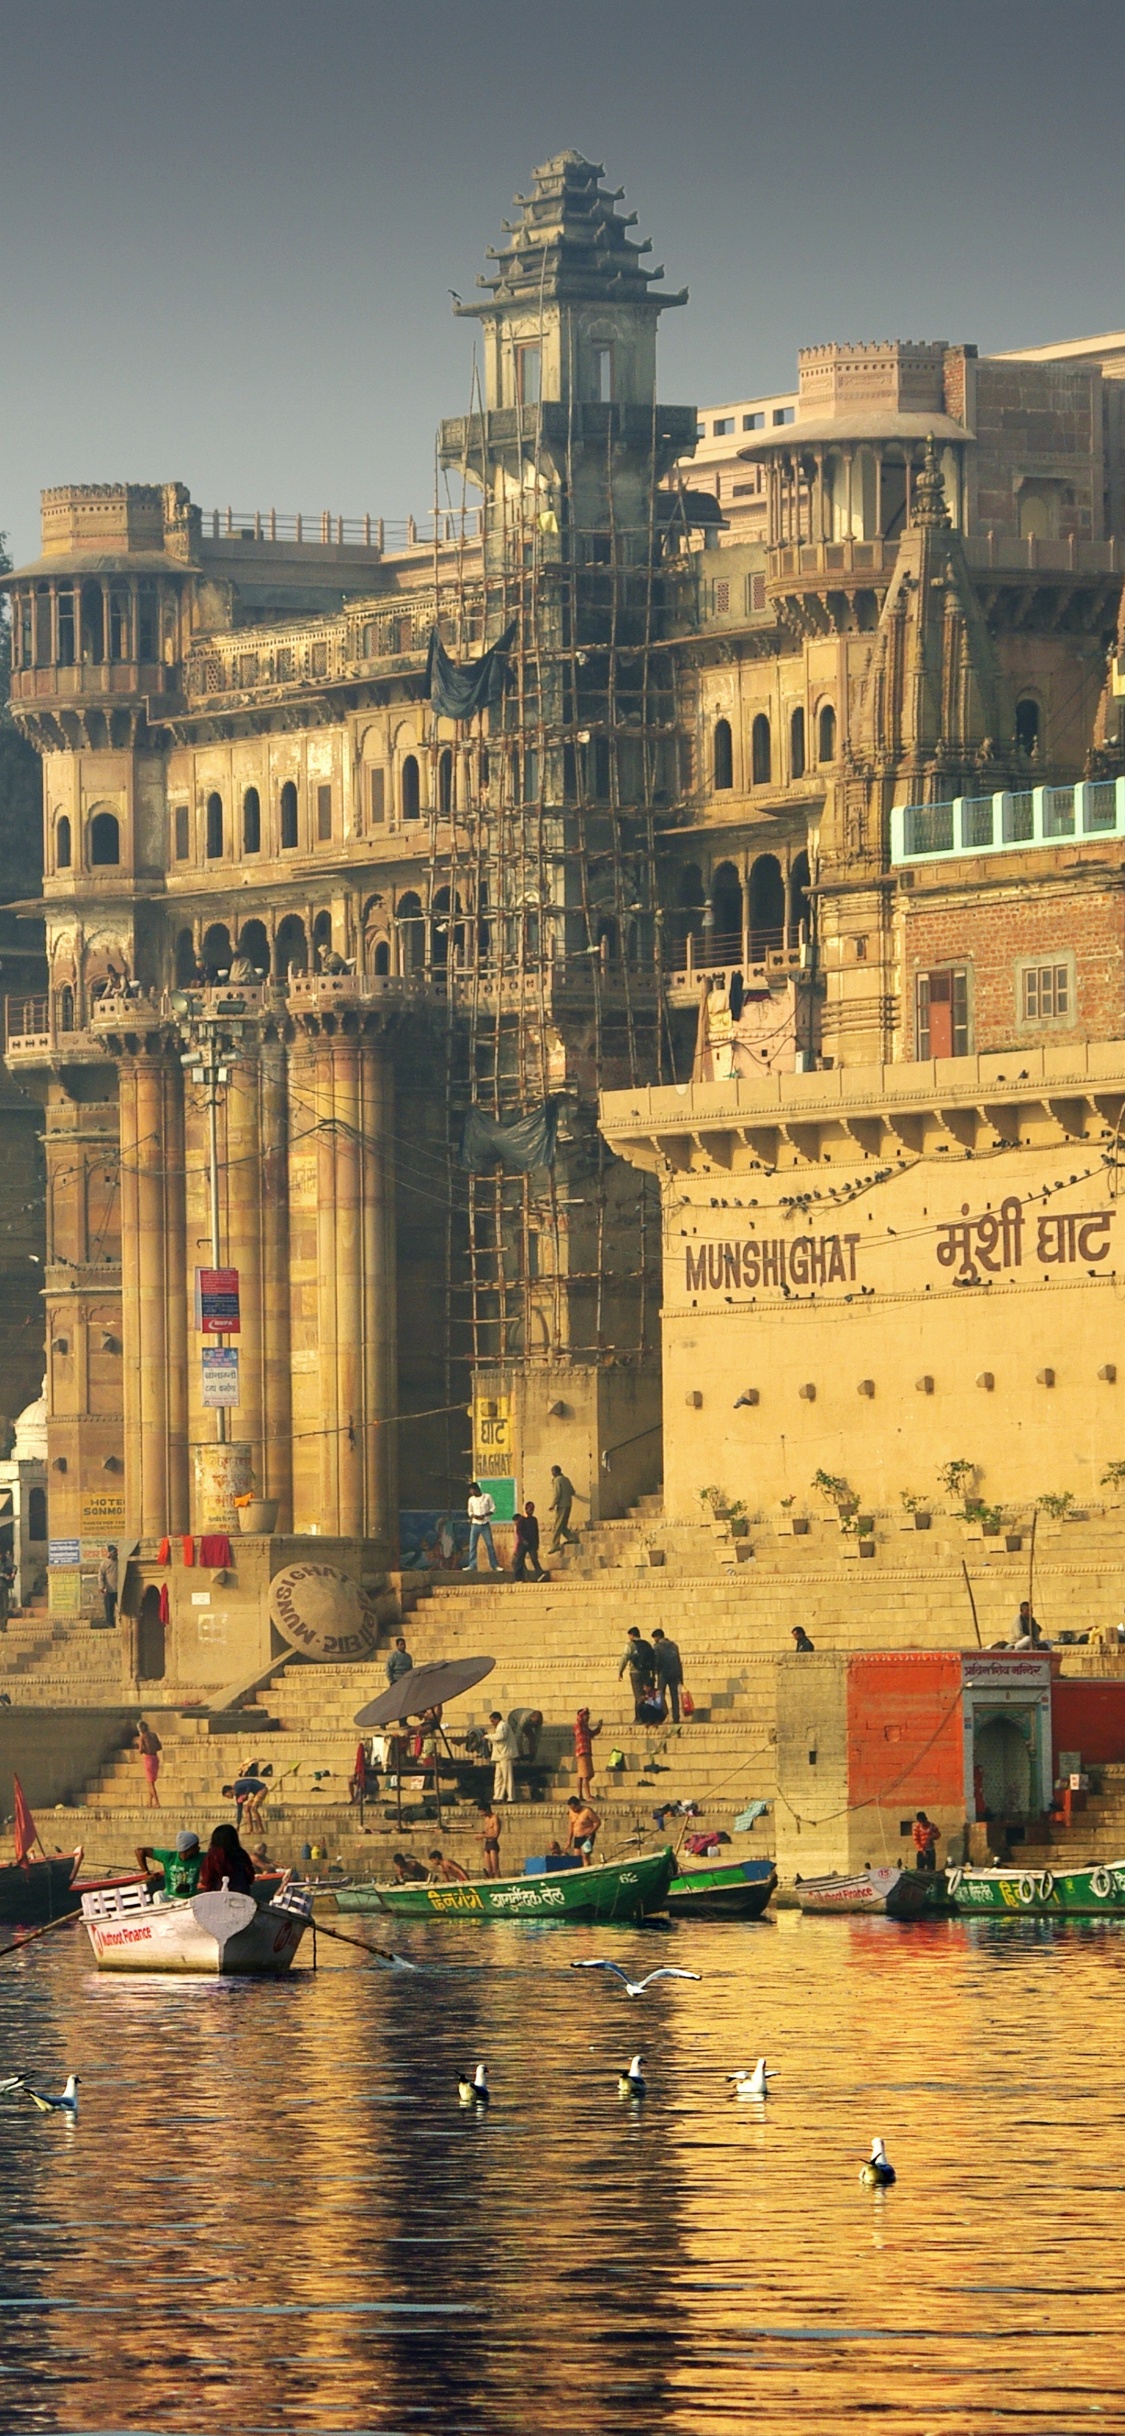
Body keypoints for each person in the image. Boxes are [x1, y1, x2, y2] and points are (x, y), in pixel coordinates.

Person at [135, 1828, 202, 1899]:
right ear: (187, 1848)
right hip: (171, 1897)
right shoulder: (169, 1856)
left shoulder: (200, 1857)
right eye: (196, 1846)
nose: (199, 1848)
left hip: (191, 1898)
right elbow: (140, 1851)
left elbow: (214, 1855)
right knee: (158, 1895)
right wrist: (147, 1873)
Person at [199, 1820, 256, 1894]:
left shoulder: (213, 1855)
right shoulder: (242, 1853)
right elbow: (250, 1877)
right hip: (242, 1893)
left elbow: (206, 1878)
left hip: (217, 1894)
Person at [618, 1626, 657, 1720]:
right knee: (645, 1693)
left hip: (635, 1672)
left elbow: (624, 1658)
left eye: (629, 1636)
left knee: (638, 1695)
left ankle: (641, 1717)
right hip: (646, 1672)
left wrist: (620, 1671)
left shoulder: (630, 1645)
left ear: (632, 1635)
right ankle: (641, 1716)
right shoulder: (647, 1644)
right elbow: (653, 1658)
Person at [462, 1483, 500, 1574]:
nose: (471, 1492)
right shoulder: (471, 1500)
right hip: (475, 1524)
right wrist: (474, 1516)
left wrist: (485, 1515)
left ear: (476, 1489)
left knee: (489, 1544)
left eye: (471, 1490)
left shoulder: (487, 1497)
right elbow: (469, 1511)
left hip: (485, 1524)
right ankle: (472, 1565)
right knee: (472, 1545)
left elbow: (493, 1509)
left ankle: (494, 1565)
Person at [651, 1628, 684, 1726]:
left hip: (663, 1674)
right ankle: (676, 1717)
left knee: (660, 1696)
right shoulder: (674, 1646)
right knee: (674, 1696)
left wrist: (654, 1673)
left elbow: (656, 1661)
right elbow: (678, 1662)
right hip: (674, 1674)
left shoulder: (657, 1647)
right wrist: (681, 1677)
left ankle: (660, 1717)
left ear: (657, 1637)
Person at [487, 1709, 518, 1803]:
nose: (492, 1723)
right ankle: (498, 1796)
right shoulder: (500, 1726)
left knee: (507, 1777)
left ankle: (511, 1797)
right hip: (500, 1756)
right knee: (498, 1778)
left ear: (497, 1719)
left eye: (493, 1721)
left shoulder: (503, 1725)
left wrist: (487, 1736)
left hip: (505, 1755)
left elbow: (501, 1736)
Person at [548, 1464, 579, 1554]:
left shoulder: (557, 1480)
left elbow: (557, 1494)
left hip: (562, 1505)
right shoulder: (566, 1479)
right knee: (563, 1524)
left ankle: (555, 1545)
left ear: (554, 1472)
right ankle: (572, 1538)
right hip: (568, 1504)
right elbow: (572, 1491)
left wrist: (553, 1505)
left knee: (557, 1526)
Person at [512, 1501, 547, 1581]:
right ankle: (518, 1578)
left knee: (534, 1559)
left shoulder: (534, 1520)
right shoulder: (521, 1520)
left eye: (532, 1509)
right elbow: (519, 1532)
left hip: (531, 1543)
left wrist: (537, 1543)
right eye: (530, 1509)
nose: (531, 1511)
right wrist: (523, 1540)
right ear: (526, 1509)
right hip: (523, 1544)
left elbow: (536, 1532)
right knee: (519, 1560)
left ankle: (539, 1574)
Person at [573, 1708, 602, 1802]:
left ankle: (580, 1795)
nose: (588, 1717)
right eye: (586, 1715)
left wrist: (599, 1727)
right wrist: (584, 1710)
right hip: (582, 1752)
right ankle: (588, 1795)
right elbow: (579, 1718)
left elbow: (592, 1734)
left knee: (583, 1775)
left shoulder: (585, 1728)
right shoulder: (578, 1726)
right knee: (585, 1775)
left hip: (586, 1752)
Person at [566, 1794, 601, 1865]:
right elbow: (571, 1826)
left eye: (574, 1808)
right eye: (572, 1808)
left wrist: (591, 1832)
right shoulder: (571, 1812)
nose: (574, 1810)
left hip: (587, 1837)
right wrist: (569, 1840)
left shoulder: (587, 1811)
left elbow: (597, 1822)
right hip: (577, 1837)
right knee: (577, 1858)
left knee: (585, 1857)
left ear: (578, 1804)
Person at [135, 1719, 162, 1808]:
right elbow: (159, 1747)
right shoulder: (154, 1735)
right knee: (151, 1782)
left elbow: (140, 1751)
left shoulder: (142, 1737)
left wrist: (139, 1746)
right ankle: (149, 1802)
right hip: (155, 1758)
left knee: (150, 1783)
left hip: (148, 1759)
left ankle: (157, 1802)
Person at [479, 1801, 502, 1879]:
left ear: (487, 1810)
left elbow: (495, 1834)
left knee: (495, 1869)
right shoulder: (486, 1819)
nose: (481, 1814)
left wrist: (482, 1836)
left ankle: (499, 1883)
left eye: (482, 1812)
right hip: (487, 1843)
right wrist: (483, 1834)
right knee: (489, 1870)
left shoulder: (495, 1818)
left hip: (493, 1843)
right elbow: (487, 1831)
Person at [98, 1544, 119, 1631]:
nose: (116, 1554)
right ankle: (110, 1624)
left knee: (120, 1608)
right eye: (114, 1552)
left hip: (118, 1589)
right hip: (109, 1589)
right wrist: (102, 1587)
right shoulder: (105, 1563)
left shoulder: (119, 1562)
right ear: (110, 1553)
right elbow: (101, 1575)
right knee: (109, 1609)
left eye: (116, 1552)